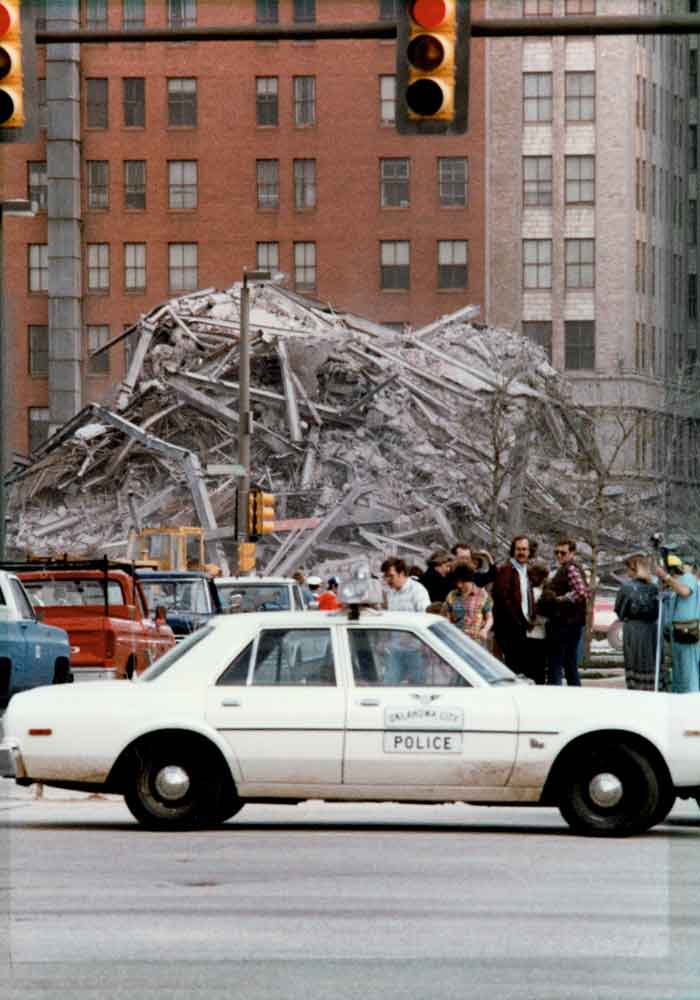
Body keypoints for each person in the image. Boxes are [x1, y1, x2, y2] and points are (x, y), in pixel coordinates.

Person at [542, 539, 589, 686]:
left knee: (556, 665)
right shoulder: (569, 568)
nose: (559, 555)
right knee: (569, 664)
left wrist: (560, 599)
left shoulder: (570, 568)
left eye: (563, 553)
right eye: (557, 552)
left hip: (564, 624)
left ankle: (555, 696)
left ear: (572, 553)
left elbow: (581, 592)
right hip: (571, 623)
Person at [380, 557, 430, 684]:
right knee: (389, 682)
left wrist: (413, 637)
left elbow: (425, 617)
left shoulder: (417, 590)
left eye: (391, 576)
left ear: (402, 573)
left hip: (415, 649)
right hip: (396, 649)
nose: (388, 580)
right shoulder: (391, 593)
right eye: (385, 577)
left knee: (417, 686)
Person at [656, 554, 700, 693]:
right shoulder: (673, 587)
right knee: (678, 675)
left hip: (688, 633)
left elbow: (685, 591)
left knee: (689, 674)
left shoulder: (688, 578)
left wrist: (665, 577)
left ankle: (691, 706)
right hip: (676, 635)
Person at [614, 554, 659, 691]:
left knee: (634, 660)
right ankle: (651, 687)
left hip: (633, 628)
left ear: (634, 569)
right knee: (650, 660)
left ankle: (636, 689)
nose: (627, 573)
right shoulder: (655, 588)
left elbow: (620, 611)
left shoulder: (626, 588)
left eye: (628, 569)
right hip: (651, 629)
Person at [491, 535, 535, 673]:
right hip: (509, 627)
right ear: (513, 551)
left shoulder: (526, 571)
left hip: (522, 625)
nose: (521, 552)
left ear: (529, 552)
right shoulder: (506, 570)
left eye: (524, 549)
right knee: (514, 666)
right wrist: (518, 621)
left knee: (521, 666)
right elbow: (503, 599)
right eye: (518, 549)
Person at [443, 564, 493, 647]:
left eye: (463, 582)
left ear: (470, 580)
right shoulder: (452, 595)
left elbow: (490, 618)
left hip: (476, 643)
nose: (459, 585)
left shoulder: (483, 595)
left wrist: (485, 630)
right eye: (457, 582)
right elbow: (446, 617)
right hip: (456, 641)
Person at [525, 563, 549, 684]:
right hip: (540, 635)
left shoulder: (528, 592)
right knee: (539, 671)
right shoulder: (543, 593)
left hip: (528, 634)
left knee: (528, 671)